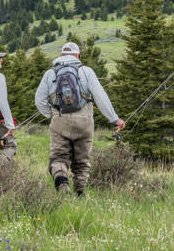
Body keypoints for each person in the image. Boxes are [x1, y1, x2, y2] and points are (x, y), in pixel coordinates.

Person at [34, 42, 125, 195]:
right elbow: (100, 97)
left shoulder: (50, 74)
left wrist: (51, 114)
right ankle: (80, 194)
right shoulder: (86, 71)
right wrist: (114, 119)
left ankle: (62, 184)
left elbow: (39, 100)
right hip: (85, 121)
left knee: (58, 158)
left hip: (60, 121)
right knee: (82, 161)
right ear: (77, 55)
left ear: (61, 55)